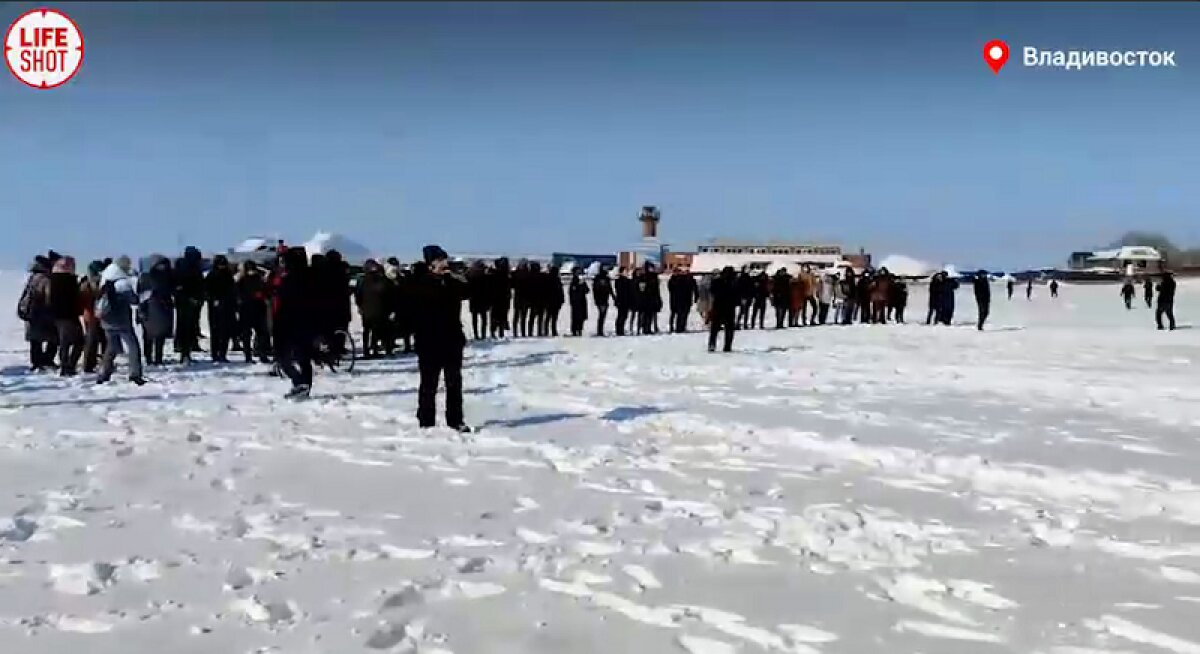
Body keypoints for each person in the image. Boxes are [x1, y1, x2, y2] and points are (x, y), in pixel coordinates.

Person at [413, 245, 471, 432]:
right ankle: (426, 420)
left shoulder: (452, 282)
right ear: (430, 264)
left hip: (452, 339)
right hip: (429, 341)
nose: (444, 263)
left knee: (454, 382)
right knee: (429, 383)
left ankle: (455, 420)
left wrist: (456, 276)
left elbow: (468, 292)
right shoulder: (421, 283)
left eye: (445, 259)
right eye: (439, 260)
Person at [96, 256, 146, 386]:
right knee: (133, 347)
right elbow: (133, 300)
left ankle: (103, 373)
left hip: (106, 320)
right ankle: (135, 374)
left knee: (111, 347)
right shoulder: (122, 283)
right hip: (121, 321)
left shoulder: (105, 278)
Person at [273, 247, 316, 399]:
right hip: (308, 321)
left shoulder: (288, 279)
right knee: (304, 357)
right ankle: (304, 386)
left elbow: (282, 303)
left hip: (289, 322)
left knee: (282, 356)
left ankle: (299, 383)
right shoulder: (311, 277)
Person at [18, 255, 56, 371]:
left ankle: (36, 362)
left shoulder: (32, 278)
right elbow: (48, 297)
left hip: (30, 313)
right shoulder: (46, 279)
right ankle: (46, 360)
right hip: (41, 313)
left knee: (35, 341)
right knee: (52, 338)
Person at [49, 256, 84, 376]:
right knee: (79, 341)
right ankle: (69, 365)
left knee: (64, 342)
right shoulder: (70, 281)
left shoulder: (53, 280)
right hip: (70, 315)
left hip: (57, 316)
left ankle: (65, 365)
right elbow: (75, 298)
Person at [138, 255, 175, 366]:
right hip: (155, 306)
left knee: (155, 334)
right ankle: (152, 357)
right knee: (154, 334)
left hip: (156, 307)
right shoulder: (152, 277)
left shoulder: (147, 276)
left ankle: (153, 357)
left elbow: (140, 294)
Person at [356, 259, 395, 358]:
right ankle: (377, 349)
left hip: (366, 310)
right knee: (378, 330)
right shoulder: (383, 280)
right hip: (380, 309)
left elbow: (358, 295)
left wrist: (360, 306)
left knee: (367, 330)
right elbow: (390, 294)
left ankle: (366, 351)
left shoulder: (362, 280)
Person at [236, 260, 272, 363]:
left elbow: (266, 291)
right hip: (246, 309)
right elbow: (238, 295)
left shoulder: (259, 279)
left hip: (258, 309)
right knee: (247, 334)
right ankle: (248, 356)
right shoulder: (241, 280)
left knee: (261, 334)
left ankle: (262, 354)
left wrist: (263, 297)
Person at [174, 247, 206, 364]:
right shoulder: (191, 267)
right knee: (188, 326)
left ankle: (183, 348)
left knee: (184, 325)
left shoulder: (181, 265)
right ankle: (186, 352)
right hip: (189, 300)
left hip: (183, 300)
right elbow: (195, 283)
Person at [205, 255, 238, 363]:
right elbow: (207, 290)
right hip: (215, 307)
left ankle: (222, 354)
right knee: (215, 331)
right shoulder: (211, 275)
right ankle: (215, 354)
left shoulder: (228, 275)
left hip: (227, 307)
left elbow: (232, 290)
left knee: (225, 332)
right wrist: (214, 299)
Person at [79, 261, 106, 374]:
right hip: (97, 315)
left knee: (93, 340)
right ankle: (94, 364)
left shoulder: (85, 283)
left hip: (89, 315)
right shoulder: (99, 283)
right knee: (98, 340)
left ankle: (90, 364)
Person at [708, 267, 739, 352]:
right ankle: (726, 346)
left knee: (716, 328)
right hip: (725, 307)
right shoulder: (733, 282)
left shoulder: (721, 281)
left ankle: (713, 345)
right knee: (726, 328)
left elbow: (712, 291)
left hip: (721, 306)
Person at [668, 267, 698, 333]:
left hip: (686, 299)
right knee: (679, 314)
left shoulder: (690, 279)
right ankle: (678, 328)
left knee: (684, 314)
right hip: (678, 300)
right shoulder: (676, 279)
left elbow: (694, 288)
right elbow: (671, 289)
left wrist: (696, 297)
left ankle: (682, 327)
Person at [467, 260, 490, 341]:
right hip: (482, 299)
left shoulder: (470, 276)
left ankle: (476, 334)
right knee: (483, 319)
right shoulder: (485, 277)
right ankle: (482, 335)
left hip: (474, 299)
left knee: (475, 319)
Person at [490, 257, 512, 339]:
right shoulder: (506, 274)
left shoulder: (495, 273)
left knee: (495, 316)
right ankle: (500, 332)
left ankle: (494, 331)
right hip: (503, 297)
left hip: (496, 297)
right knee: (502, 315)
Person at [544, 265, 565, 337]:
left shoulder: (548, 279)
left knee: (549, 317)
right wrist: (562, 300)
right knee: (553, 318)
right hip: (554, 301)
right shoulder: (556, 280)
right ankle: (553, 331)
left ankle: (547, 330)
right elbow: (560, 291)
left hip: (550, 301)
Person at [568, 267, 589, 337]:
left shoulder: (582, 281)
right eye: (577, 272)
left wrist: (583, 285)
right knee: (575, 317)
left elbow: (587, 290)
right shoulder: (573, 281)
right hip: (575, 302)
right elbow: (571, 292)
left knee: (582, 317)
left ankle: (580, 329)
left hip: (582, 301)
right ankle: (574, 330)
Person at [592, 265, 613, 336]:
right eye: (604, 268)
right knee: (601, 315)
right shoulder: (597, 278)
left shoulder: (607, 278)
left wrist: (613, 297)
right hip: (599, 299)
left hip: (605, 299)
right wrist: (596, 299)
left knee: (603, 315)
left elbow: (610, 289)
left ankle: (600, 330)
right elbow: (595, 290)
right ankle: (599, 331)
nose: (606, 269)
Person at [614, 266, 632, 336]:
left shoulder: (628, 281)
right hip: (621, 301)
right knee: (620, 316)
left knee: (625, 316)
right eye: (625, 271)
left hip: (627, 301)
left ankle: (621, 329)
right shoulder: (619, 280)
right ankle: (619, 330)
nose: (626, 272)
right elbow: (619, 291)